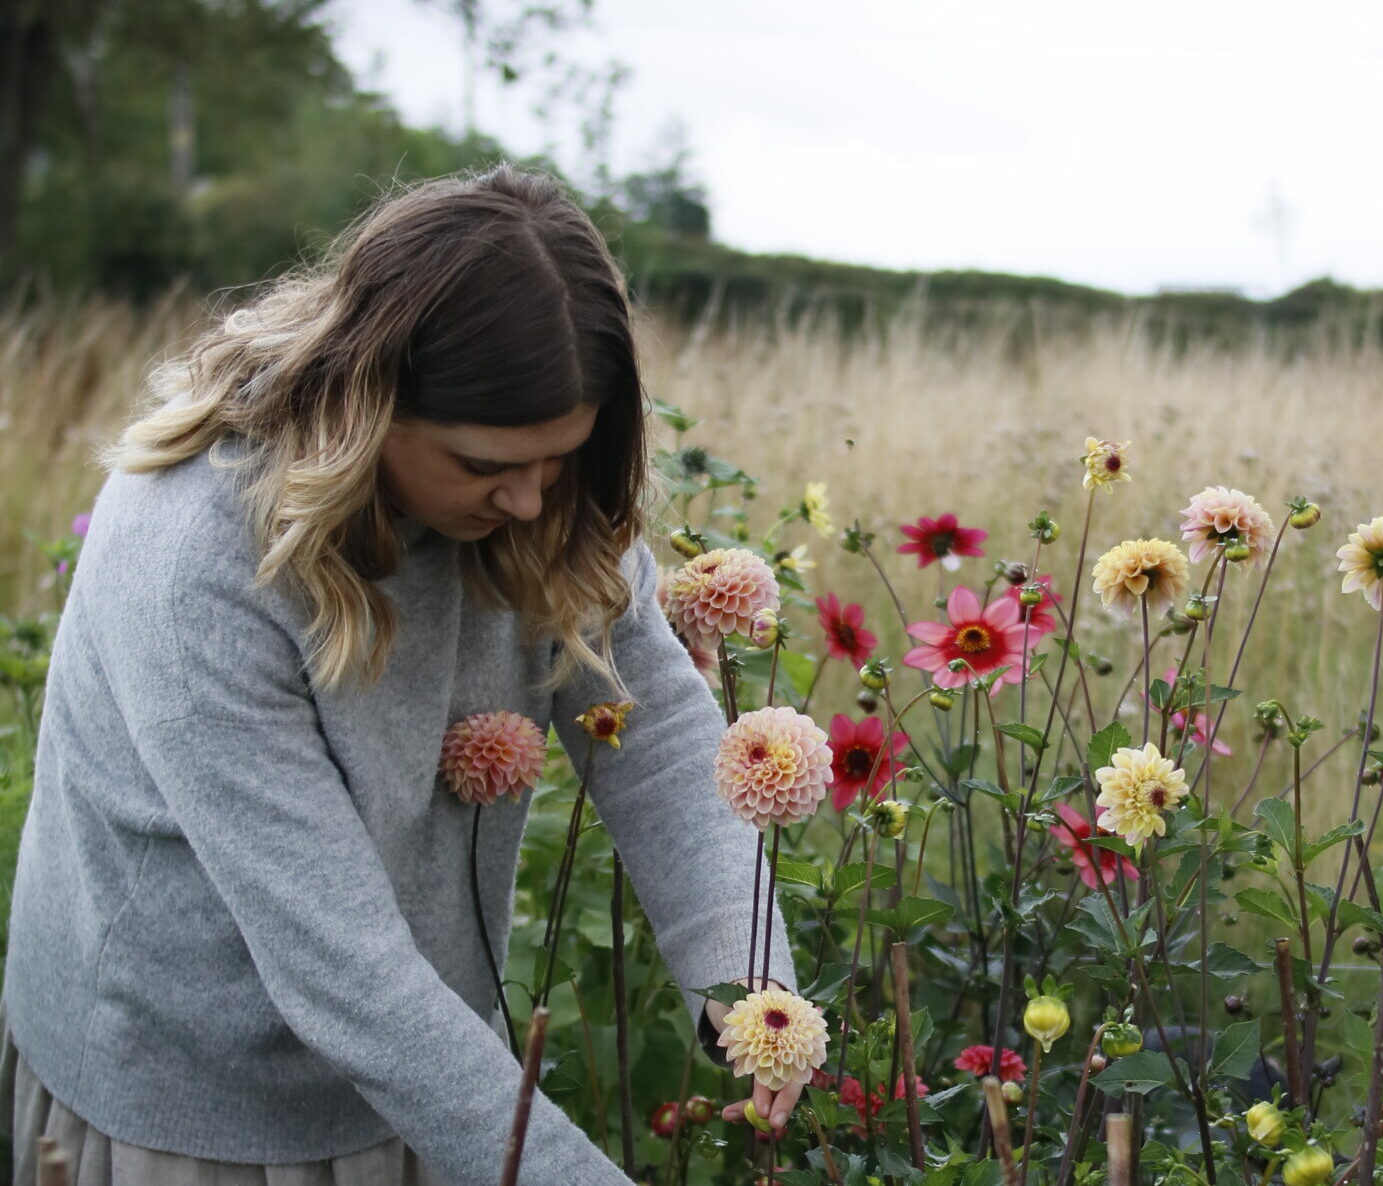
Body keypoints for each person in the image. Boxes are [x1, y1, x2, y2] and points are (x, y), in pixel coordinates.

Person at [1, 164, 798, 1185]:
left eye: (558, 461)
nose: (525, 501)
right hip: (191, 1100)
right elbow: (343, 970)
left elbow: (651, 728)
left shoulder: (537, 496)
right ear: (370, 401)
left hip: (433, 1075)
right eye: (483, 466)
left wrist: (749, 979)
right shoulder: (196, 547)